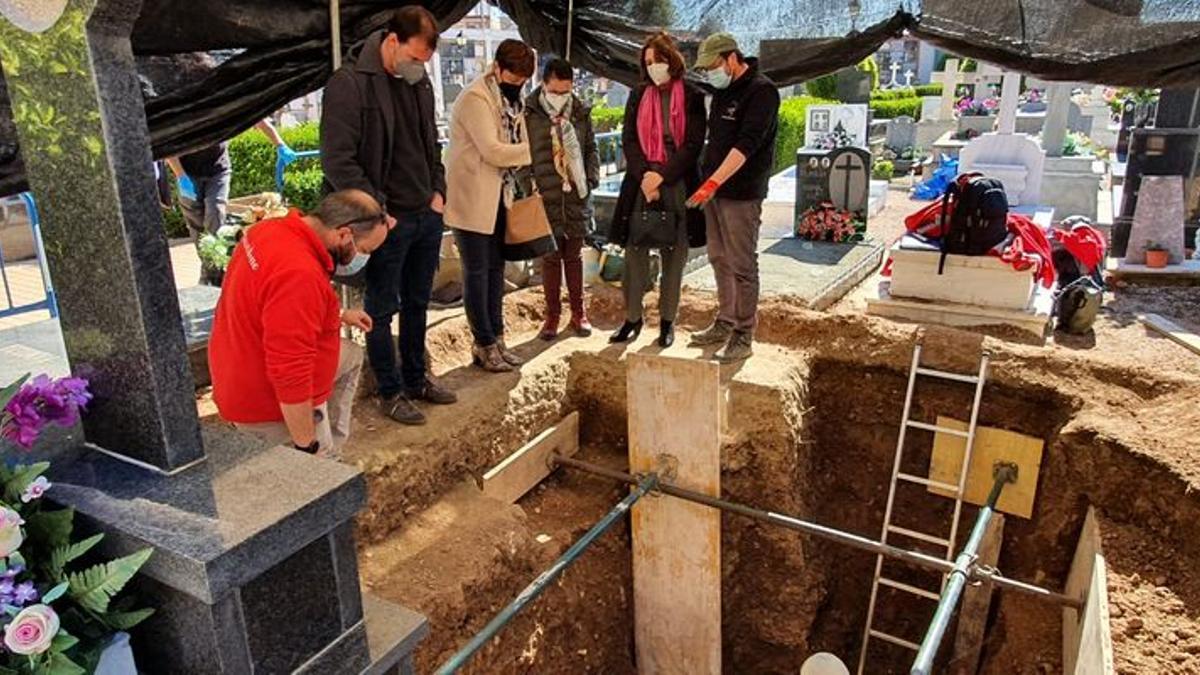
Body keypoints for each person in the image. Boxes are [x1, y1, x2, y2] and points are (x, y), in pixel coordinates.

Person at [321, 6, 455, 426]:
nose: (419, 67)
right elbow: (338, 161)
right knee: (381, 308)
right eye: (414, 58)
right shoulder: (350, 84)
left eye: (425, 61)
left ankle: (417, 379)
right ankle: (390, 390)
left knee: (419, 302)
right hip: (386, 221)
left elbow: (430, 141)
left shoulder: (419, 83)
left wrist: (439, 191)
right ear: (392, 41)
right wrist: (377, 212)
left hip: (425, 213)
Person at [209, 189, 394, 457]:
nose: (361, 258)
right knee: (311, 484)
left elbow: (271, 303)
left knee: (352, 355)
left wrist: (338, 314)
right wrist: (306, 445)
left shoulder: (269, 231)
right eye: (365, 250)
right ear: (344, 235)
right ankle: (325, 456)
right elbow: (289, 371)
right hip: (265, 402)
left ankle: (333, 446)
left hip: (237, 364)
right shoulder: (300, 274)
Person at [608, 32, 707, 348]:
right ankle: (632, 318)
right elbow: (629, 140)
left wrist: (661, 176)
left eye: (658, 61)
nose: (653, 67)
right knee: (635, 250)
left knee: (673, 254)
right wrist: (645, 176)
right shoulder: (638, 94)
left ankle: (667, 322)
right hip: (641, 181)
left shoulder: (691, 95)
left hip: (677, 180)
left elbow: (692, 145)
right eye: (648, 62)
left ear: (672, 60)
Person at [685, 33, 780, 362]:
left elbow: (746, 145)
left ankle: (743, 333)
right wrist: (707, 183)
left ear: (731, 58)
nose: (711, 73)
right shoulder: (724, 91)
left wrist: (712, 182)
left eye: (713, 66)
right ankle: (725, 321)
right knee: (718, 257)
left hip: (741, 194)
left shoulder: (763, 92)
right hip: (713, 190)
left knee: (741, 263)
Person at [444, 40, 535, 371]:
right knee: (477, 272)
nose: (518, 86)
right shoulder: (475, 98)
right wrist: (534, 151)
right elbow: (493, 151)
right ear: (497, 68)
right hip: (471, 199)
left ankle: (496, 338)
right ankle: (482, 343)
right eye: (513, 79)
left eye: (523, 81)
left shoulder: (511, 97)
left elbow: (517, 138)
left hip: (498, 196)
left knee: (497, 270)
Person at [525, 57, 600, 341]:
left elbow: (591, 147)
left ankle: (579, 313)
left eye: (565, 91)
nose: (560, 97)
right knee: (551, 258)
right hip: (545, 194)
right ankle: (552, 315)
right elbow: (522, 153)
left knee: (574, 256)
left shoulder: (580, 111)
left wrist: (590, 180)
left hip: (577, 194)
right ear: (544, 85)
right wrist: (530, 185)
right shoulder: (530, 112)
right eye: (555, 92)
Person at [168, 120, 293, 286]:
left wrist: (280, 145)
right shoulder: (185, 111)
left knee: (215, 214)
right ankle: (210, 271)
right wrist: (181, 176)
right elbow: (167, 146)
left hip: (218, 170)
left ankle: (216, 275)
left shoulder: (221, 107)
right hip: (187, 173)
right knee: (196, 226)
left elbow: (258, 117)